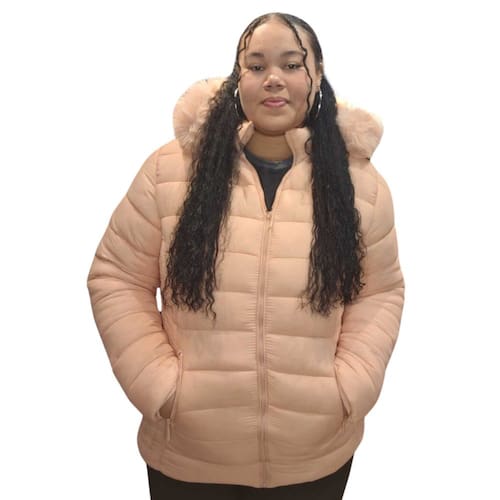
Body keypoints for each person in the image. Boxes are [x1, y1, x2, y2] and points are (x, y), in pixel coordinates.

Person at [87, 12, 405, 500]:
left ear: (317, 75)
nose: (273, 78)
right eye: (256, 66)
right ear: (238, 78)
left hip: (313, 457)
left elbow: (379, 291)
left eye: (291, 64)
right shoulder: (170, 171)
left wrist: (349, 388)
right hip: (189, 458)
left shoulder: (361, 185)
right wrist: (160, 387)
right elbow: (117, 277)